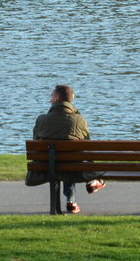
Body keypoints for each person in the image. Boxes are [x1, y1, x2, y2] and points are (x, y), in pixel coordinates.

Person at [30, 84, 105, 213]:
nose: (50, 100)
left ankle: (72, 200)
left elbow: (35, 141)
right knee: (71, 157)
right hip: (73, 165)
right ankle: (74, 198)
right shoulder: (79, 120)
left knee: (62, 157)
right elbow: (87, 145)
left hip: (47, 166)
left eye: (52, 97)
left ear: (57, 99)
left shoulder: (42, 120)